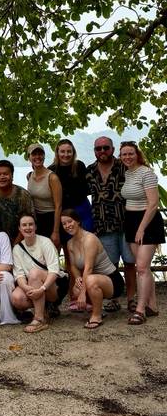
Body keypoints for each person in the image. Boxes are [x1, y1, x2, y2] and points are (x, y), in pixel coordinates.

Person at [86, 136, 136, 311]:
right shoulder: (90, 170)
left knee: (130, 263)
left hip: (126, 223)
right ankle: (113, 298)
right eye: (98, 149)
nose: (102, 152)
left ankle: (131, 299)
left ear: (113, 149)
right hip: (103, 226)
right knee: (110, 266)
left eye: (105, 148)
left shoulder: (125, 167)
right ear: (94, 151)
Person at [120, 141, 165, 325]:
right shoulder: (128, 173)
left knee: (141, 268)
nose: (127, 157)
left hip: (147, 222)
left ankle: (140, 310)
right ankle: (152, 306)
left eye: (130, 153)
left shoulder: (147, 173)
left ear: (137, 154)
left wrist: (141, 228)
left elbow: (153, 203)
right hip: (131, 221)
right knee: (142, 268)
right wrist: (134, 226)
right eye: (124, 154)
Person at [61, 209, 125, 330]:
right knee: (76, 289)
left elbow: (88, 268)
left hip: (112, 281)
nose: (67, 226)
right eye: (64, 224)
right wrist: (78, 278)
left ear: (78, 221)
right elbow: (73, 266)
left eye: (70, 221)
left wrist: (83, 295)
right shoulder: (70, 243)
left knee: (88, 282)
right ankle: (96, 306)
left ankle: (96, 316)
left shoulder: (90, 239)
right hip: (92, 278)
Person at [0, 159, 34, 244]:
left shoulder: (23, 195)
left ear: (12, 176)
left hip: (22, 242)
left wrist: (16, 246)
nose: (2, 177)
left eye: (5, 174)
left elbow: (29, 223)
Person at [49, 139, 93, 234]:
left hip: (82, 208)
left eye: (69, 151)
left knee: (87, 238)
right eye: (62, 151)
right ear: (57, 152)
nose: (66, 154)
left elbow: (88, 188)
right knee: (68, 243)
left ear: (73, 152)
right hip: (64, 211)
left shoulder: (79, 166)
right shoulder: (52, 170)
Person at [26, 143, 62, 249]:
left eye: (40, 154)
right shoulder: (29, 176)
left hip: (51, 219)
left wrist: (55, 231)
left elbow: (58, 206)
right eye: (34, 154)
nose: (37, 157)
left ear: (44, 156)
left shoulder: (52, 178)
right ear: (29, 157)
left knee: (51, 256)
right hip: (36, 220)